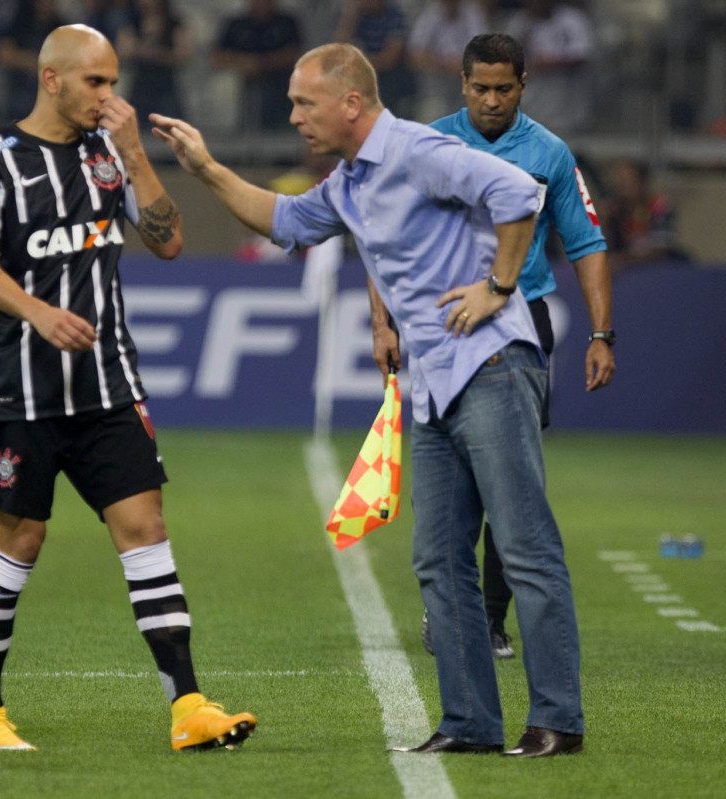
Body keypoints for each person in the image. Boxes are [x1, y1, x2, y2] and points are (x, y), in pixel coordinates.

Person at [153, 42, 584, 757]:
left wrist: (500, 287)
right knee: (439, 561)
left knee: (523, 546)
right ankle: (471, 723)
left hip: (492, 364)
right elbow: (285, 221)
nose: (295, 117)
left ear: (351, 102)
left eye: (304, 103)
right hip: (435, 383)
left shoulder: (419, 150)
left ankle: (557, 721)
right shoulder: (351, 180)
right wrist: (205, 169)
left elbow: (519, 195)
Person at [0, 23, 256, 752]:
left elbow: (169, 241)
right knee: (21, 536)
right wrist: (40, 312)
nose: (108, 96)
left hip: (110, 384)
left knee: (146, 530)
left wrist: (138, 155)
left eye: (114, 82)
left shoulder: (107, 157)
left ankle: (188, 707)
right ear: (51, 78)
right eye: (96, 82)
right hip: (23, 392)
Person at [415, 32, 613, 662]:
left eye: (504, 88)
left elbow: (585, 244)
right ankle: (449, 607)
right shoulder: (431, 144)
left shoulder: (551, 152)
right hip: (446, 319)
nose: (493, 100)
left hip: (522, 321)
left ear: (524, 84)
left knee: (512, 481)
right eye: (481, 88)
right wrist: (384, 322)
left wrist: (603, 333)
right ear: (463, 85)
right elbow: (390, 232)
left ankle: (491, 619)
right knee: (447, 474)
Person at [504, 0, 596, 134]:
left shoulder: (572, 19)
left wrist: (550, 63)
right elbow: (506, 53)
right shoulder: (521, 21)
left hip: (566, 98)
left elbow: (582, 55)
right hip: (533, 98)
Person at [208, 0, 301, 131]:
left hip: (277, 79)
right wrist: (242, 62)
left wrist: (261, 63)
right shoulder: (236, 25)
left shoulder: (286, 23)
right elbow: (216, 57)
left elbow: (294, 54)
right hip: (240, 78)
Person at [407, 0, 488, 123]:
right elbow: (415, 55)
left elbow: (482, 52)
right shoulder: (431, 14)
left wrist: (460, 66)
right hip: (437, 82)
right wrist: (443, 64)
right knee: (433, 114)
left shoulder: (473, 13)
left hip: (468, 80)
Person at [334, 0, 415, 119]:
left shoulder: (394, 16)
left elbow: (391, 58)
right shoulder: (359, 17)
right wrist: (350, 18)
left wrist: (360, 65)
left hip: (393, 79)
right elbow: (338, 51)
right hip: (368, 76)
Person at [115, 0, 191, 123]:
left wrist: (155, 54)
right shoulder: (133, 22)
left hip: (166, 85)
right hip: (140, 85)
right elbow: (123, 51)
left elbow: (182, 56)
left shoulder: (173, 23)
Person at [600, 158, 682, 270]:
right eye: (618, 184)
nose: (621, 189)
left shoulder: (659, 206)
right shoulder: (616, 210)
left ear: (642, 182)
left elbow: (661, 249)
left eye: (627, 183)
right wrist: (604, 220)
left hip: (657, 271)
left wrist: (625, 259)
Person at [0, 0, 69, 122]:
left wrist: (37, 64)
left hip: (50, 90)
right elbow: (5, 55)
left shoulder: (62, 26)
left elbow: (66, 60)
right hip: (21, 87)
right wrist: (29, 61)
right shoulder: (20, 22)